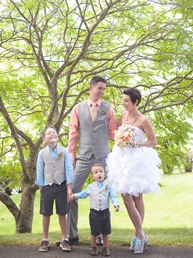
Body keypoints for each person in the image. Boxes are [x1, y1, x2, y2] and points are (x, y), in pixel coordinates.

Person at [106, 88, 161, 255]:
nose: (124, 103)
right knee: (126, 198)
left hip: (137, 160)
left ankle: (138, 236)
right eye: (123, 100)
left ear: (135, 102)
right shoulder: (123, 116)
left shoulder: (144, 120)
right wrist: (120, 138)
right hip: (122, 159)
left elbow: (153, 142)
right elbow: (115, 133)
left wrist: (137, 143)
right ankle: (141, 234)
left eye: (126, 101)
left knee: (137, 197)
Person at [67, 76, 118, 245]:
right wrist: (71, 156)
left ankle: (103, 237)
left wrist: (126, 135)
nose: (102, 91)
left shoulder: (107, 109)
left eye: (104, 89)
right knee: (72, 193)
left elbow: (113, 133)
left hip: (103, 156)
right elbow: (73, 134)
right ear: (91, 88)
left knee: (105, 192)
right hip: (84, 157)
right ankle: (71, 234)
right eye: (100, 88)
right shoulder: (78, 108)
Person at [35, 126, 74, 253]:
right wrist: (41, 187)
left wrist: (69, 187)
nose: (52, 134)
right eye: (49, 133)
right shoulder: (42, 153)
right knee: (46, 213)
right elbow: (39, 171)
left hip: (62, 186)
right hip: (47, 186)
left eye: (54, 132)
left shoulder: (64, 151)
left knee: (62, 213)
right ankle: (45, 239)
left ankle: (65, 239)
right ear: (44, 139)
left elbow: (69, 169)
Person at [69, 163, 120, 257]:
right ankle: (93, 247)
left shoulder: (108, 186)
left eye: (101, 171)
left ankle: (105, 248)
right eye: (96, 172)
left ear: (104, 174)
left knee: (106, 231)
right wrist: (74, 195)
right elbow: (83, 194)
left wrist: (116, 204)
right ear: (92, 176)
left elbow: (113, 195)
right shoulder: (91, 187)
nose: (99, 173)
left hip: (105, 212)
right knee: (94, 231)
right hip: (94, 213)